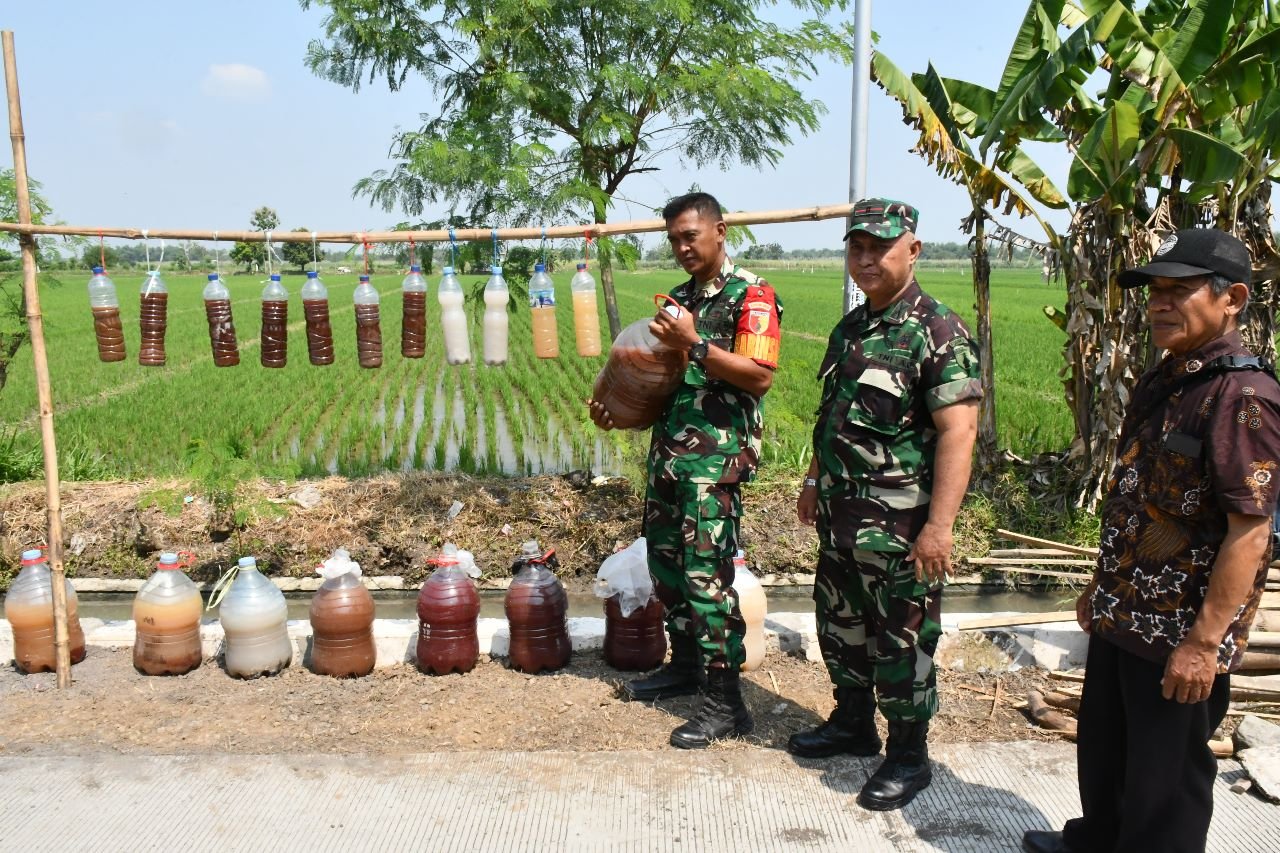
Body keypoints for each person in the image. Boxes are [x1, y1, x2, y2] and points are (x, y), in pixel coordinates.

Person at [1023, 228, 1280, 853]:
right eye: (1154, 291)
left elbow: (1251, 530)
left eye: (1178, 290)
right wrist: (1099, 588)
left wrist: (1205, 641)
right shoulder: (1171, 379)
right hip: (1127, 610)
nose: (1159, 303)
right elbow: (1138, 499)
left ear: (1233, 298)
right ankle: (1099, 840)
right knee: (1109, 749)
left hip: (1180, 630)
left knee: (1165, 779)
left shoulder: (1243, 398)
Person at [791, 198, 981, 811]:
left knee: (902, 641)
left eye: (880, 247)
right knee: (842, 628)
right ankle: (852, 723)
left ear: (913, 250)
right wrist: (816, 480)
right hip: (842, 519)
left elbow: (959, 432)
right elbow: (835, 416)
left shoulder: (937, 330)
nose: (866, 259)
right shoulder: (853, 327)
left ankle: (908, 755)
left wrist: (939, 527)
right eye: (857, 247)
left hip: (900, 527)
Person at [587, 191, 782, 749]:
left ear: (719, 231)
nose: (681, 247)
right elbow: (657, 384)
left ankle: (726, 703)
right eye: (673, 238)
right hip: (670, 459)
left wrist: (695, 343)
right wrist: (618, 412)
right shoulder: (674, 300)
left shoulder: (752, 296)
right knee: (668, 569)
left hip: (713, 466)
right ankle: (686, 666)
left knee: (706, 578)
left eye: (690, 236)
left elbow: (759, 376)